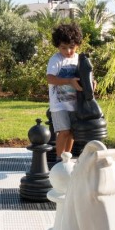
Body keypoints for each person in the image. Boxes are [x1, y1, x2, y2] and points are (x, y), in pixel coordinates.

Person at [46, 23, 83, 158]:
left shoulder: (79, 59)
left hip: (74, 104)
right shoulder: (55, 60)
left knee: (72, 132)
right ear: (57, 46)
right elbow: (50, 78)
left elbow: (86, 76)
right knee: (64, 131)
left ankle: (67, 157)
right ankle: (59, 159)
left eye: (71, 47)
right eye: (64, 48)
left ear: (78, 45)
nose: (68, 51)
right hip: (59, 104)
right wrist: (69, 81)